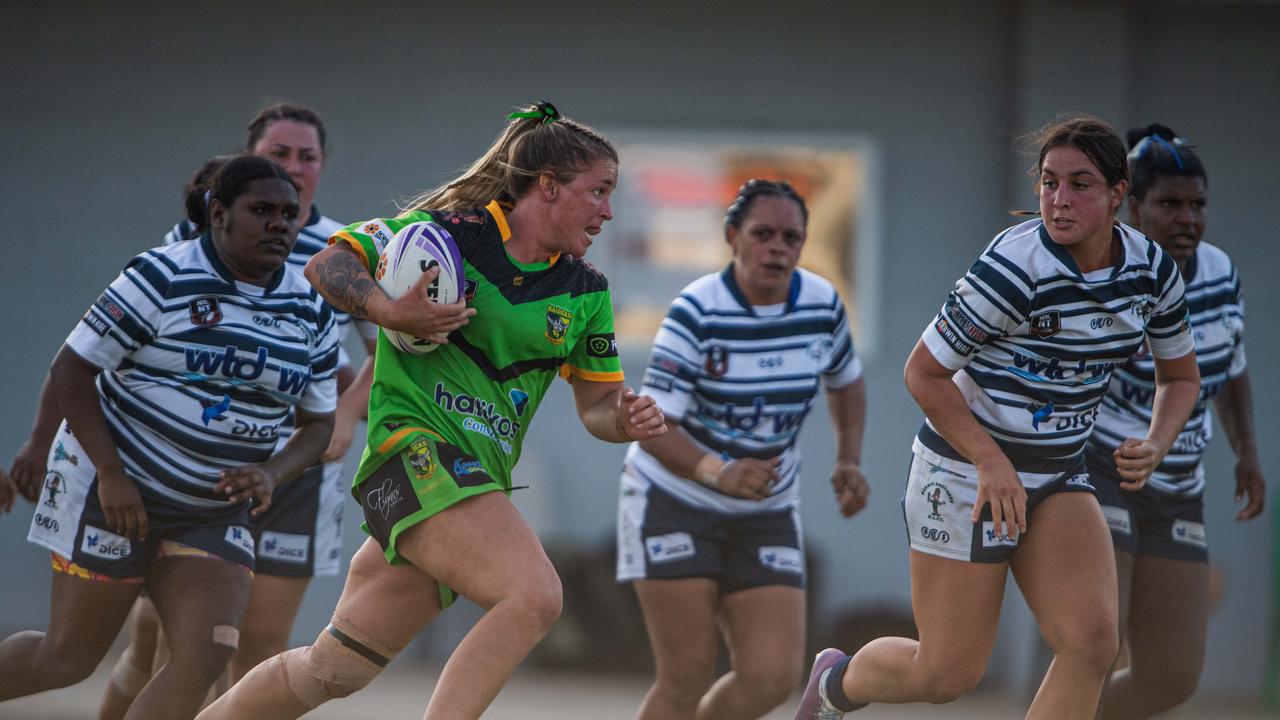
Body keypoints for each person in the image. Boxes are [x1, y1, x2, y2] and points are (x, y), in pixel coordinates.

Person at [197, 101, 666, 720]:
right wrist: (388, 310)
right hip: (410, 456)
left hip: (468, 487)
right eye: (598, 191)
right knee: (535, 597)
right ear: (548, 187)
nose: (608, 210)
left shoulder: (587, 292)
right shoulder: (446, 233)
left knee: (331, 669)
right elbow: (326, 263)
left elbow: (599, 407)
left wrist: (624, 420)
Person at [794, 115, 1202, 720]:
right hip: (963, 472)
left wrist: (1157, 440)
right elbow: (922, 373)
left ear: (1120, 195)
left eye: (1080, 184)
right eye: (1048, 182)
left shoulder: (1150, 272)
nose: (1059, 200)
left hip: (1061, 473)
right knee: (946, 673)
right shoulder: (1015, 269)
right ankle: (836, 683)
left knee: (1092, 645)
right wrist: (990, 461)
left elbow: (1182, 376)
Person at [0, 155, 337, 720]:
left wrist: (271, 473)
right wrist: (111, 474)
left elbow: (318, 423)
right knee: (68, 660)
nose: (280, 223)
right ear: (219, 213)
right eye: (262, 211)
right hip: (114, 494)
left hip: (212, 510)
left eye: (289, 213)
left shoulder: (310, 306)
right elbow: (72, 369)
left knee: (208, 653)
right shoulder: (162, 275)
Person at [97, 104, 374, 719]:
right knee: (161, 645)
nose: (294, 168)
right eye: (279, 154)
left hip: (295, 469)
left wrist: (347, 413)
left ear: (323, 168)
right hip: (199, 469)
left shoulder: (343, 251)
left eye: (308, 156)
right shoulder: (197, 241)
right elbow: (108, 346)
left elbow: (386, 355)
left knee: (258, 642)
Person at [617, 179, 868, 720]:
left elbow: (846, 380)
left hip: (766, 510)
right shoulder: (695, 312)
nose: (777, 247)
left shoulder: (822, 304)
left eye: (791, 237)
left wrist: (848, 457)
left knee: (772, 678)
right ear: (733, 236)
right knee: (684, 677)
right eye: (763, 233)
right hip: (672, 501)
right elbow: (651, 424)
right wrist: (716, 470)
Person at [1091, 124, 1265, 719]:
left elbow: (1231, 365)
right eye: (1170, 204)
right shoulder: (1107, 276)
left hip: (1179, 485)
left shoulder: (1219, 272)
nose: (1187, 218)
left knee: (1172, 675)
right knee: (1095, 641)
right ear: (1133, 206)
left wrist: (1247, 452)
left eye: (1198, 204)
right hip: (1104, 469)